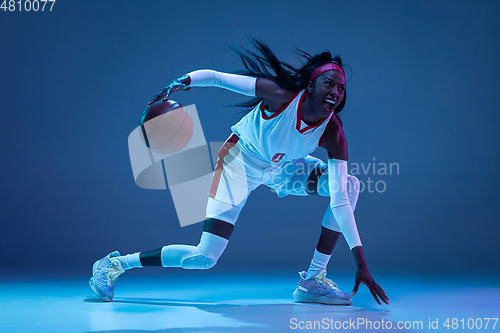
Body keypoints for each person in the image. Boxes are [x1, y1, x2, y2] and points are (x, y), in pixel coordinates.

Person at [89, 37, 389, 306]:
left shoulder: (333, 131)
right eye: (329, 84)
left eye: (341, 88)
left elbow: (339, 201)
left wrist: (359, 261)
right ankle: (115, 264)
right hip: (239, 164)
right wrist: (182, 82)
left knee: (348, 186)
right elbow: (219, 79)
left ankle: (313, 279)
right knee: (202, 258)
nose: (335, 92)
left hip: (284, 169)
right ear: (310, 86)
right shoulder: (280, 94)